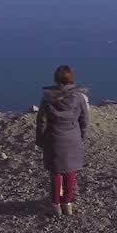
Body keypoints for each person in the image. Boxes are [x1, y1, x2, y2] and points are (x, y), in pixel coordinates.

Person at [35, 64, 88, 216]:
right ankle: (68, 203)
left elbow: (41, 123)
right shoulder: (79, 98)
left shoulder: (47, 99)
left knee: (56, 173)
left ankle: (56, 205)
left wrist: (40, 140)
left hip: (53, 139)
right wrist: (81, 138)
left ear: (56, 80)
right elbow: (84, 120)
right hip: (73, 139)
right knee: (70, 173)